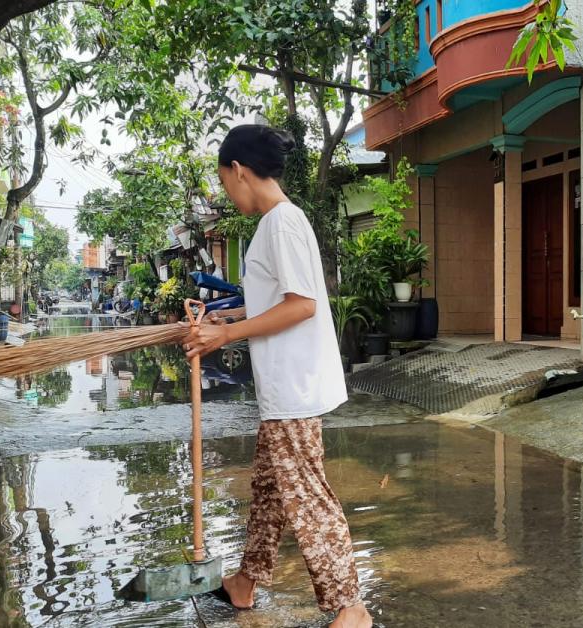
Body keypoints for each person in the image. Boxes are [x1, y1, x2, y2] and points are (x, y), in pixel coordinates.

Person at [181, 124, 371, 628]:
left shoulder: (282, 223)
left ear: (240, 171)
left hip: (296, 386)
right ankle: (245, 582)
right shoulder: (275, 224)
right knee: (270, 491)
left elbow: (302, 305)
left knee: (307, 498)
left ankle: (350, 607)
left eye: (225, 182)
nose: (227, 191)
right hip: (284, 388)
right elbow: (276, 297)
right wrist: (228, 317)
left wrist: (226, 336)